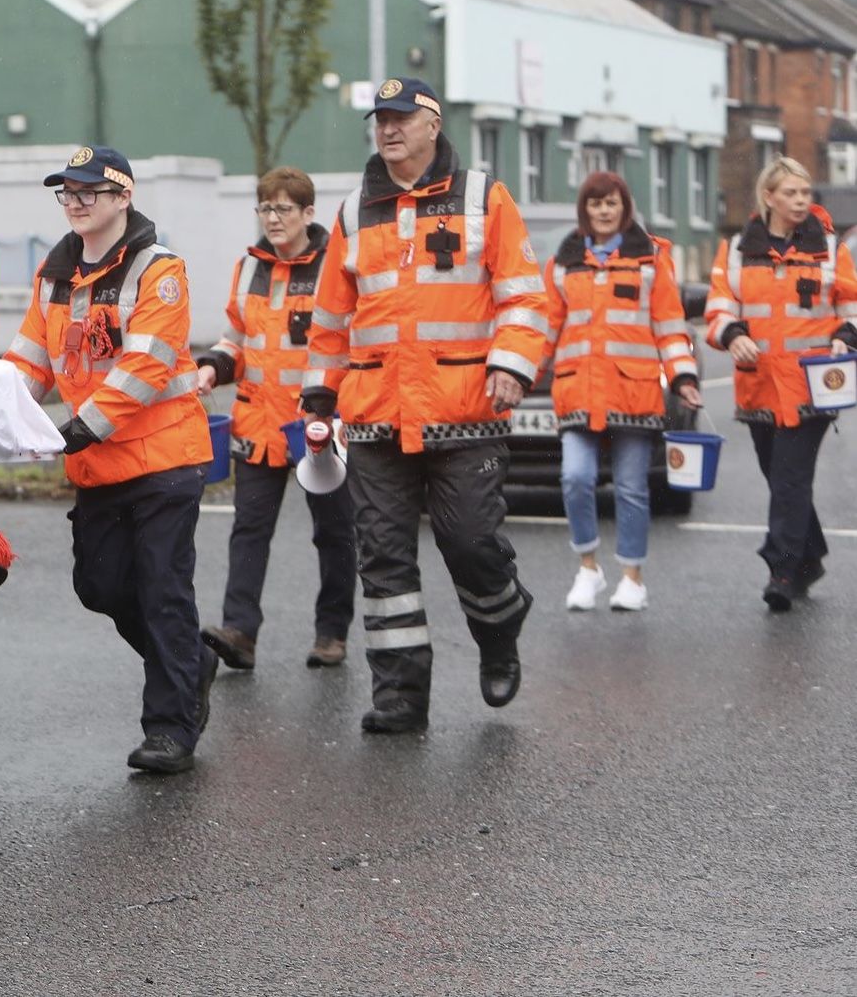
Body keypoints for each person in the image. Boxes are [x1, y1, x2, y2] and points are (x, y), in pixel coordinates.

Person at [301, 77, 547, 734]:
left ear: (434, 124)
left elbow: (524, 296)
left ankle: (499, 627)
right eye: (380, 119)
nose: (389, 128)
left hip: (464, 410)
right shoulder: (354, 211)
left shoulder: (483, 198)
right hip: (376, 413)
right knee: (382, 557)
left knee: (470, 543)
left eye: (403, 117)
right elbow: (330, 317)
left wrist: (512, 365)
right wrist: (320, 394)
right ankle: (401, 696)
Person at [5, 145, 217, 774]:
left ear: (124, 197)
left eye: (88, 192)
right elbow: (27, 361)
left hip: (163, 461)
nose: (74, 201)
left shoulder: (160, 270)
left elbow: (146, 365)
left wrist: (80, 427)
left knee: (161, 591)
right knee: (98, 587)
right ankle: (190, 663)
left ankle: (171, 725)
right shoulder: (54, 275)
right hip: (99, 466)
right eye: (66, 192)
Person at [194, 167, 356, 671]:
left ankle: (332, 633)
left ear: (309, 213)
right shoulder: (247, 267)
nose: (273, 218)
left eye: (284, 208)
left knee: (333, 532)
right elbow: (236, 340)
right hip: (258, 425)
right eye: (266, 208)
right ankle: (239, 632)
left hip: (317, 428)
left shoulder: (336, 267)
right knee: (249, 530)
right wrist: (212, 367)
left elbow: (349, 345)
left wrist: (336, 409)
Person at [703, 156, 857, 611]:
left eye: (805, 193)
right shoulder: (735, 250)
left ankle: (782, 571)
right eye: (790, 193)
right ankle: (811, 558)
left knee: (790, 477)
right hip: (759, 387)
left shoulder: (829, 249)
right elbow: (718, 307)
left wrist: (845, 336)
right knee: (780, 477)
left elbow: (851, 305)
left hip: (813, 385)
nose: (799, 201)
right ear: (768, 197)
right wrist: (732, 335)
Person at [545, 172, 702, 612]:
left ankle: (633, 578)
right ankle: (588, 569)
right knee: (575, 478)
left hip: (633, 392)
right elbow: (545, 327)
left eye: (612, 202)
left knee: (631, 487)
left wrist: (684, 378)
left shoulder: (650, 260)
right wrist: (515, 376)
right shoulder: (564, 262)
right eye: (595, 204)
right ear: (585, 210)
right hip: (577, 391)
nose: (604, 211)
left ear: (624, 206)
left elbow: (670, 327)